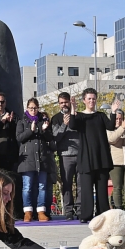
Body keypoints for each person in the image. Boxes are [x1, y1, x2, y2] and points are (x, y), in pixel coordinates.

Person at [67, 89, 121, 222]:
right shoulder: (79, 116)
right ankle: (86, 215)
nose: (92, 101)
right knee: (86, 189)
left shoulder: (101, 115)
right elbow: (73, 125)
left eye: (94, 98)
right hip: (86, 157)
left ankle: (103, 215)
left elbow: (111, 126)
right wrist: (73, 109)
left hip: (101, 157)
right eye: (89, 98)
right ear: (84, 100)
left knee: (102, 190)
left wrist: (113, 112)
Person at [16, 98, 53, 221]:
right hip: (27, 159)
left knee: (42, 186)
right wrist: (30, 130)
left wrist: (44, 129)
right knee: (27, 186)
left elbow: (49, 138)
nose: (33, 111)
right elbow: (19, 138)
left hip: (41, 158)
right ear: (27, 108)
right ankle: (28, 211)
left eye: (35, 108)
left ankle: (41, 211)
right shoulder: (22, 122)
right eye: (31, 108)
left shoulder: (43, 121)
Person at [51, 92, 80, 220]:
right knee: (67, 183)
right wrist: (64, 125)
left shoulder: (77, 116)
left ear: (70, 102)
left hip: (80, 154)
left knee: (80, 184)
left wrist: (74, 117)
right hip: (65, 155)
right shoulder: (56, 118)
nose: (64, 105)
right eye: (61, 103)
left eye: (66, 102)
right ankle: (68, 211)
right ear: (58, 104)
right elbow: (56, 136)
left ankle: (80, 209)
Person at [108, 109, 125, 212]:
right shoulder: (110, 129)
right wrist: (122, 128)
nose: (118, 121)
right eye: (116, 119)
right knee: (117, 187)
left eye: (120, 119)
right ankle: (118, 209)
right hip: (116, 162)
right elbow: (112, 139)